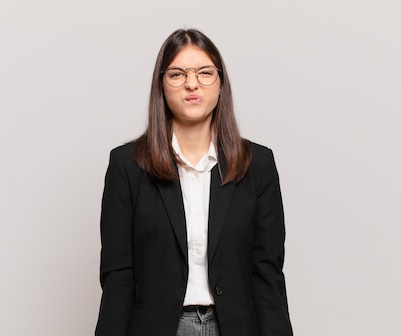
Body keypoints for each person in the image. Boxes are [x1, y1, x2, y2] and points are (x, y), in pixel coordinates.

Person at [96, 28, 293, 336]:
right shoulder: (128, 166)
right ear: (161, 84)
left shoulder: (258, 164)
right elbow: (118, 277)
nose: (191, 83)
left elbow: (267, 274)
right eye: (177, 74)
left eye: (204, 72)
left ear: (221, 83)